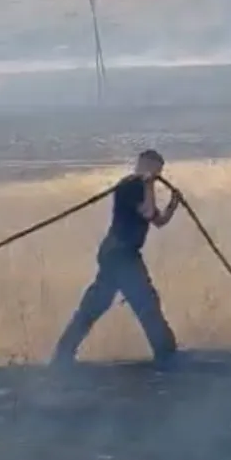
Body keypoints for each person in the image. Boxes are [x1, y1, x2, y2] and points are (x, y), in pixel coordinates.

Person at [52, 149, 182, 366]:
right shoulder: (131, 186)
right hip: (121, 254)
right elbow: (149, 212)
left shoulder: (140, 186)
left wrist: (173, 203)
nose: (158, 175)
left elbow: (159, 221)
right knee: (146, 304)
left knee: (94, 305)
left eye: (159, 172)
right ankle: (167, 355)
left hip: (118, 254)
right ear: (144, 165)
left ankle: (62, 356)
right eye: (156, 170)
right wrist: (149, 184)